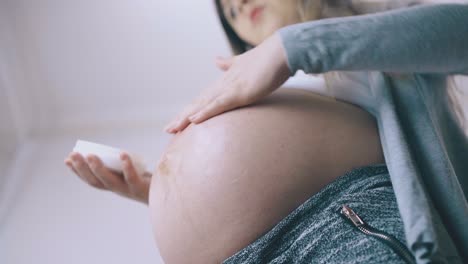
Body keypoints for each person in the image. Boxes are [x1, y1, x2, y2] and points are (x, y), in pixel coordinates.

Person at [65, 0, 468, 263]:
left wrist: (290, 48)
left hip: (336, 227)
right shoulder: (275, 88)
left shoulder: (367, 30)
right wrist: (153, 187)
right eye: (231, 15)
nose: (237, 5)